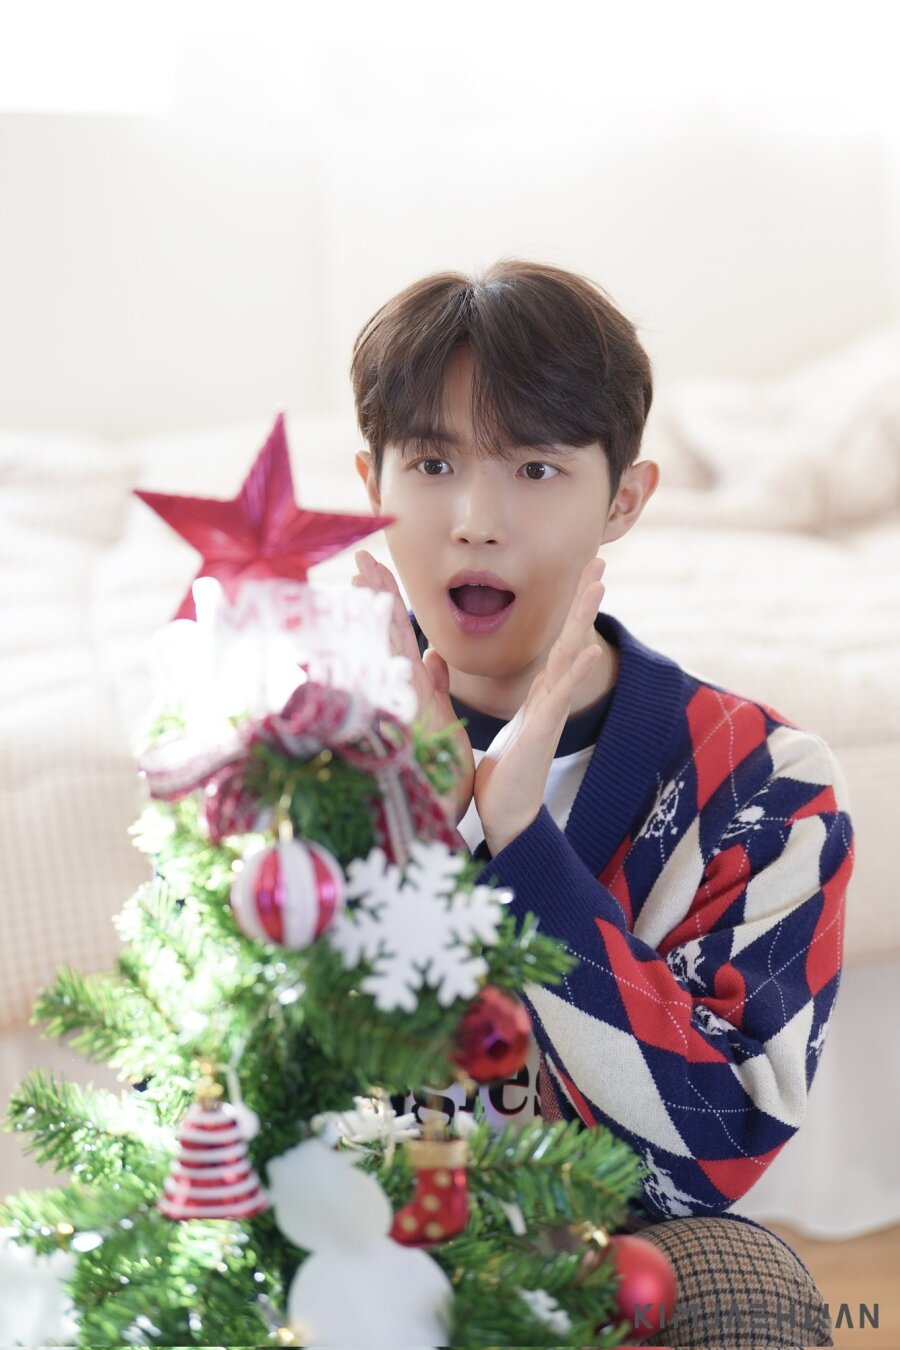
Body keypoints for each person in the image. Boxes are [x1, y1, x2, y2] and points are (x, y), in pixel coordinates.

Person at [349, 260, 853, 1233]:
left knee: (758, 1293)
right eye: (433, 466)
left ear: (623, 499)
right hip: (332, 1254)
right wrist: (415, 831)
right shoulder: (290, 754)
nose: (476, 525)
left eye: (535, 469)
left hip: (606, 1259)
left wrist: (524, 847)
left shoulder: (765, 783)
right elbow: (202, 1094)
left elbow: (712, 1156)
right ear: (372, 489)